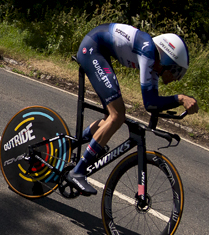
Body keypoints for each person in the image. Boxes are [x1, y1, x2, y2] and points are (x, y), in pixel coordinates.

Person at [67, 23, 198, 195]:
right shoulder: (148, 51)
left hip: (100, 51)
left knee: (111, 118)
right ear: (167, 59)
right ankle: (78, 171)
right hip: (92, 49)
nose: (176, 78)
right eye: (176, 71)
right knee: (117, 116)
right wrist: (180, 98)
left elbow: (153, 105)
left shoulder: (154, 68)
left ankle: (67, 145)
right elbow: (149, 102)